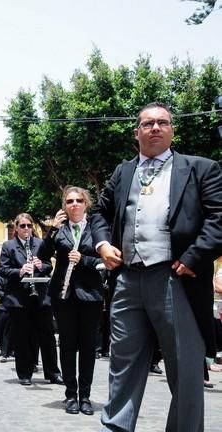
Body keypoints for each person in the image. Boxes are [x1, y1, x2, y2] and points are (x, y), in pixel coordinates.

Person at [91, 102, 222, 432]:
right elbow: (100, 214)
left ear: (172, 130)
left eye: (162, 122)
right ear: (136, 132)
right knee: (122, 367)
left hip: (175, 280)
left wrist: (193, 257)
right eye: (147, 123)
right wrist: (103, 244)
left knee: (186, 371)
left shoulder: (200, 168)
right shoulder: (123, 172)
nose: (155, 128)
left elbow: (219, 218)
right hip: (127, 282)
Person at [37, 186, 103, 416]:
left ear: (86, 204)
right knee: (67, 346)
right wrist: (52, 230)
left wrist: (83, 260)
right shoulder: (60, 231)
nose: (74, 204)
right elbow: (43, 256)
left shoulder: (97, 227)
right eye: (69, 201)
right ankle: (70, 394)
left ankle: (85, 396)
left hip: (90, 295)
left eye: (78, 200)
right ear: (64, 206)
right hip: (63, 296)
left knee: (87, 347)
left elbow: (106, 260)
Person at [0, 213, 62, 386]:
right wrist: (20, 271)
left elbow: (49, 265)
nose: (27, 229)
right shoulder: (8, 246)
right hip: (19, 298)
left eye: (29, 226)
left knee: (47, 336)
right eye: (23, 226)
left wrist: (42, 266)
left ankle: (53, 373)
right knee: (22, 337)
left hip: (40, 296)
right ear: (16, 228)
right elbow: (2, 269)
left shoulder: (41, 243)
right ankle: (25, 373)